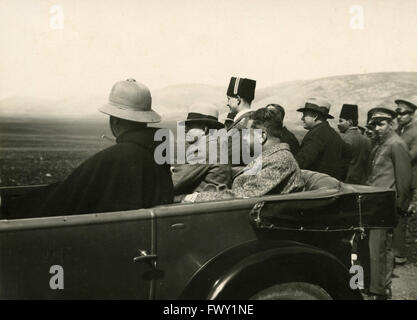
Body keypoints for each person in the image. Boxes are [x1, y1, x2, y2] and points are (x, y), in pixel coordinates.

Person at [17, 79, 174, 217]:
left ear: (114, 121)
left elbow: (68, 195)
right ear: (145, 119)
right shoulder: (160, 151)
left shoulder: (115, 157)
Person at [182, 107, 304, 203]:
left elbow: (245, 196)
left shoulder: (280, 161)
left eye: (247, 134)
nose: (243, 138)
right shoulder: (270, 157)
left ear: (262, 136)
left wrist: (196, 198)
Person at [365, 106, 412, 299]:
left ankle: (380, 289)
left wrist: (400, 206)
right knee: (372, 247)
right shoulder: (381, 144)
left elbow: (404, 178)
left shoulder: (396, 144)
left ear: (391, 124)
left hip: (385, 203)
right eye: (374, 124)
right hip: (374, 202)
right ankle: (373, 284)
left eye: (381, 124)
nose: (377, 128)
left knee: (379, 248)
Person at [172, 102, 232, 196]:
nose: (185, 129)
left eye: (190, 125)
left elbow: (174, 183)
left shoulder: (206, 150)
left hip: (203, 203)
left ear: (205, 129)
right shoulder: (215, 145)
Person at [295, 97, 352, 180]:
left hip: (317, 188)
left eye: (305, 114)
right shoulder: (332, 133)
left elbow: (301, 162)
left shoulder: (316, 135)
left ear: (315, 116)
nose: (302, 118)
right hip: (331, 185)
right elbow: (348, 152)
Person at [394, 98, 417, 265]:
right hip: (398, 176)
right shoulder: (400, 130)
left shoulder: (415, 132)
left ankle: (399, 254)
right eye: (397, 113)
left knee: (401, 215)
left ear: (412, 114)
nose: (398, 116)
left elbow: (409, 157)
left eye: (402, 113)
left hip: (408, 179)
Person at [337, 104, 371, 184]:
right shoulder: (367, 140)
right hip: (362, 183)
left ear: (350, 122)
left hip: (346, 182)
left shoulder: (343, 139)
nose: (338, 124)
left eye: (341, 121)